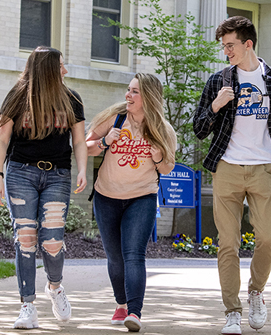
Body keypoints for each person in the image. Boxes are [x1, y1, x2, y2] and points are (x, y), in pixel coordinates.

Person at [192, 16, 271, 335]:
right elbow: (199, 129)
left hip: (265, 168)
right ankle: (232, 311)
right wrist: (215, 106)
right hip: (227, 168)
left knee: (267, 238)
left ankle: (256, 292)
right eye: (223, 46)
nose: (226, 51)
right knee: (228, 242)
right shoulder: (219, 81)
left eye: (230, 45)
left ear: (248, 44)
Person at [0, 46, 87, 329]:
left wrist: (83, 169)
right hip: (21, 174)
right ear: (46, 69)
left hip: (57, 174)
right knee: (26, 238)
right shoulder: (18, 96)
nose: (65, 71)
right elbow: (1, 138)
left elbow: (79, 140)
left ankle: (55, 287)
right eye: (60, 66)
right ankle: (27, 305)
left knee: (52, 240)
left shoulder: (71, 99)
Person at [85, 73, 177, 332]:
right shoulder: (114, 118)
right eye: (128, 90)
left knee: (134, 255)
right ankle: (121, 304)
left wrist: (158, 157)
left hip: (142, 197)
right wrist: (104, 141)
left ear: (148, 96)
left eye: (135, 91)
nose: (128, 95)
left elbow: (168, 168)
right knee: (115, 258)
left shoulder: (162, 129)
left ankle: (134, 312)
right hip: (106, 196)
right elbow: (83, 145)